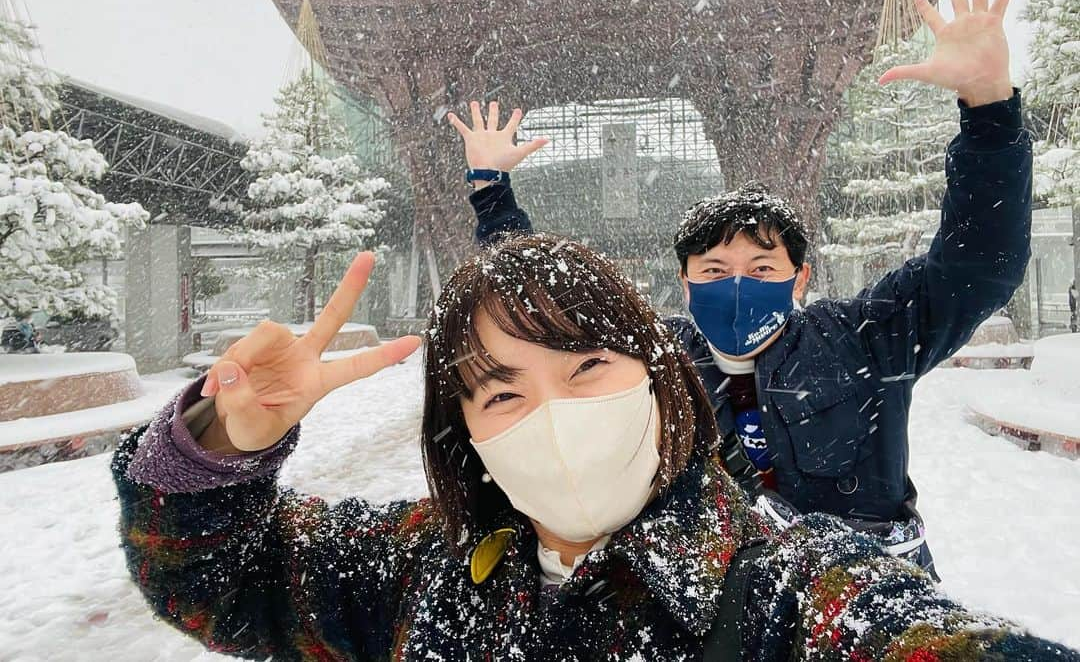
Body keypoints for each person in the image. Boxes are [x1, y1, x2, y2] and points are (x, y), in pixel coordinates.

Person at [113, 239, 1075, 660]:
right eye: (501, 391)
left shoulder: (793, 590)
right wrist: (215, 440)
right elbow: (220, 585)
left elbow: (911, 637)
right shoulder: (410, 569)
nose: (554, 413)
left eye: (586, 368)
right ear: (467, 436)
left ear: (660, 378)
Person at [449, 0, 1032, 576]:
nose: (735, 285)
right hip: (723, 610)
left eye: (760, 268)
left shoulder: (867, 339)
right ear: (684, 281)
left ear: (799, 276)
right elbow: (543, 311)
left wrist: (989, 108)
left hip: (862, 608)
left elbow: (979, 263)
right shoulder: (653, 357)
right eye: (713, 268)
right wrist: (491, 194)